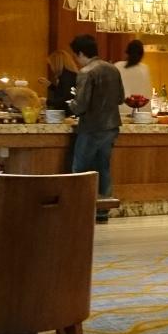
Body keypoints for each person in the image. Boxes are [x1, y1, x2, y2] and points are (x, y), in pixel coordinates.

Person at [66, 34, 125, 223]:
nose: (76, 59)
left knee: (80, 169)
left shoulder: (86, 72)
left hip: (92, 127)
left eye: (76, 55)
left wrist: (70, 104)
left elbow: (80, 106)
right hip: (111, 126)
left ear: (80, 53)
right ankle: (102, 212)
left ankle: (79, 210)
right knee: (103, 168)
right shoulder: (113, 69)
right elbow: (120, 98)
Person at [115, 39, 153, 113]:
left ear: (127, 52)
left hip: (120, 110)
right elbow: (147, 95)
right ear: (142, 55)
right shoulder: (144, 69)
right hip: (141, 112)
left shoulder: (118, 66)